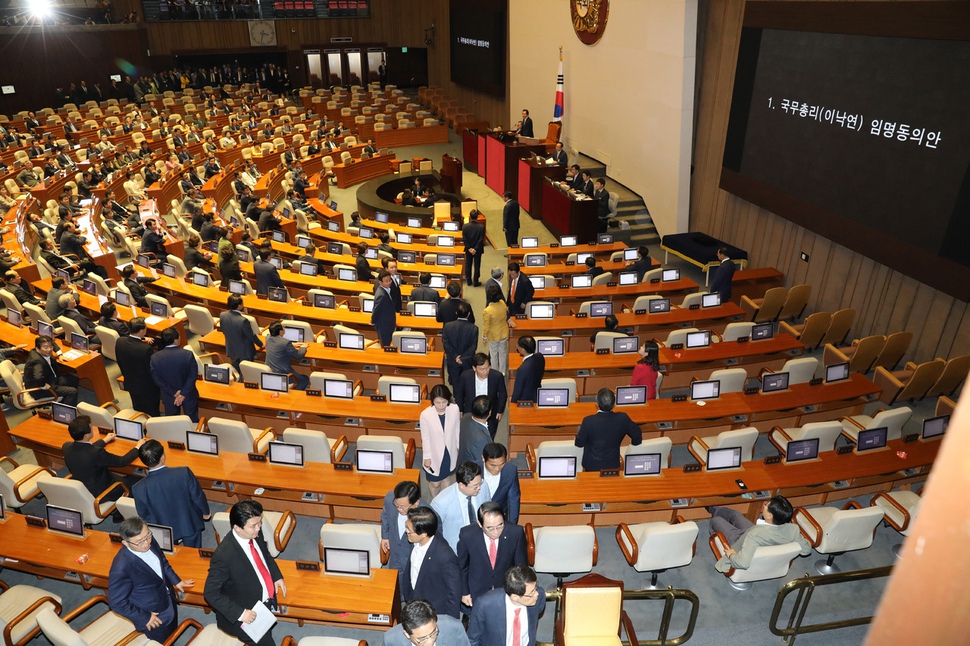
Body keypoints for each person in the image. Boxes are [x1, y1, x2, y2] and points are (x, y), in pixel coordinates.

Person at [204, 500, 286, 646]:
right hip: (246, 615)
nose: (259, 528)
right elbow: (211, 593)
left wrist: (276, 575)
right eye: (254, 525)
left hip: (262, 604)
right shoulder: (224, 556)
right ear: (237, 527)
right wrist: (241, 614)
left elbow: (264, 555)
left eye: (260, 523)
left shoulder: (254, 534)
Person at [108, 517, 194, 643]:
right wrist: (144, 617)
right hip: (152, 614)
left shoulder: (148, 539)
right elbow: (116, 602)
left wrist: (176, 580)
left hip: (167, 599)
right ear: (125, 543)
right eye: (139, 542)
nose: (146, 543)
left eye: (147, 536)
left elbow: (162, 561)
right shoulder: (121, 567)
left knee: (172, 635)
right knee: (162, 642)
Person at [133, 440, 211, 547]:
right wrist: (205, 511)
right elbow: (197, 496)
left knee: (172, 556)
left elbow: (144, 514)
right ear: (163, 457)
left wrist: (158, 525)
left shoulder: (138, 488)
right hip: (189, 523)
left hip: (164, 529)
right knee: (193, 553)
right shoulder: (183, 473)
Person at [710, 496, 813, 573]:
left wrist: (731, 554)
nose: (764, 505)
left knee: (716, 520)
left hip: (739, 543)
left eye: (766, 506)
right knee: (735, 515)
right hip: (760, 534)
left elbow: (743, 563)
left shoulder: (755, 535)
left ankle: (714, 534)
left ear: (769, 515)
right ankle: (714, 509)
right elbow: (806, 550)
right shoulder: (792, 529)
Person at [457, 501, 528, 612]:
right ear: (480, 524)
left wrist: (519, 591)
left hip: (505, 589)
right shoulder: (467, 535)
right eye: (490, 528)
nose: (496, 532)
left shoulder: (515, 532)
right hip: (478, 589)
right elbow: (462, 567)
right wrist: (464, 592)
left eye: (500, 525)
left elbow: (521, 567)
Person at [63, 414, 144, 501]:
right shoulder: (96, 453)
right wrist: (138, 447)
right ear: (86, 436)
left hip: (83, 487)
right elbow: (122, 461)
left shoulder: (66, 447)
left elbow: (85, 449)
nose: (93, 429)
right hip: (101, 492)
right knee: (136, 484)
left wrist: (104, 440)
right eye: (91, 428)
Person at [399, 506, 461, 619]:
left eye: (409, 530)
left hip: (432, 611)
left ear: (423, 534)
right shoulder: (415, 540)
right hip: (414, 600)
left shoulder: (445, 557)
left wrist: (450, 621)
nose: (406, 531)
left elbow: (454, 593)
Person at [467, 565, 546, 646]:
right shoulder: (484, 605)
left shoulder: (539, 597)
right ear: (514, 596)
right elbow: (472, 640)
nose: (536, 594)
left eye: (535, 588)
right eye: (531, 593)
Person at [574, 388, 643, 471]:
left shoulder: (588, 421)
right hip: (613, 464)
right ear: (614, 405)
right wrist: (633, 445)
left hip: (591, 466)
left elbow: (579, 443)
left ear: (597, 404)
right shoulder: (623, 418)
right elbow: (637, 434)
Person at [431, 461, 491, 552]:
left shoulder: (483, 485)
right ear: (462, 485)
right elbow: (434, 532)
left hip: (481, 542)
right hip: (456, 549)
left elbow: (488, 508)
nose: (479, 488)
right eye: (475, 486)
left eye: (480, 483)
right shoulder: (440, 503)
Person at [419, 384, 461, 499]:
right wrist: (427, 457)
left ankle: (443, 503)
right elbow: (425, 437)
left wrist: (458, 446)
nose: (441, 405)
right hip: (434, 453)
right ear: (432, 401)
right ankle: (435, 499)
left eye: (444, 402)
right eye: (438, 402)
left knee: (446, 479)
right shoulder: (426, 415)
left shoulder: (454, 409)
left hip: (449, 451)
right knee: (435, 483)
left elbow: (457, 428)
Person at [150, 327, 200, 422]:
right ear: (176, 340)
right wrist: (183, 393)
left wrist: (174, 392)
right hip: (188, 393)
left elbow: (157, 379)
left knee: (173, 421)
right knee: (192, 420)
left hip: (169, 395)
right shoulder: (187, 354)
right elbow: (193, 375)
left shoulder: (155, 357)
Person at [455, 353, 508, 440]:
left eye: (488, 367)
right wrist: (460, 409)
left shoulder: (497, 376)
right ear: (474, 368)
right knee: (472, 437)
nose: (486, 371)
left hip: (491, 413)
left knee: (489, 437)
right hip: (471, 412)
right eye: (482, 369)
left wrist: (500, 411)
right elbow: (460, 394)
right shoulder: (465, 376)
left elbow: (503, 394)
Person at [117, 317, 161, 416]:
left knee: (138, 409)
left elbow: (120, 361)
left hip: (130, 382)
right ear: (142, 330)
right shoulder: (145, 349)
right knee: (152, 412)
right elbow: (151, 370)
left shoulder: (120, 342)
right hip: (147, 388)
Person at [382, 598, 469, 646]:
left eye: (434, 633)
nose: (430, 642)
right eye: (422, 639)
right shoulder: (391, 640)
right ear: (407, 634)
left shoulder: (454, 627)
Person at [380, 480, 424, 572]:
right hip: (395, 552)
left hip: (412, 557)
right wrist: (385, 536)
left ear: (416, 503)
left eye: (403, 507)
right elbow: (385, 514)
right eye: (397, 505)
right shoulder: (390, 499)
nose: (399, 509)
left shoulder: (427, 515)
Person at [24, 335, 79, 406]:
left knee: (74, 379)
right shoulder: (37, 362)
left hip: (51, 379)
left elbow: (52, 343)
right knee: (73, 392)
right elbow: (38, 377)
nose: (49, 349)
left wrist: (60, 354)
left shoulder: (38, 351)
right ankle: (63, 411)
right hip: (40, 389)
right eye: (46, 348)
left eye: (51, 347)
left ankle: (64, 402)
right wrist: (43, 386)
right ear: (37, 349)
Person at [221, 294, 262, 372]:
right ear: (239, 306)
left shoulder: (222, 315)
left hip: (231, 348)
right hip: (245, 352)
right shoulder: (243, 321)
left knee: (237, 370)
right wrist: (260, 344)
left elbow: (224, 330)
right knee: (247, 372)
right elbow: (251, 336)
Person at [442, 302, 479, 389]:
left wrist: (456, 357)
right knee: (467, 384)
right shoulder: (474, 328)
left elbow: (446, 344)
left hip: (453, 360)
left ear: (456, 313)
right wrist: (462, 358)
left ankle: (457, 398)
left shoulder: (447, 326)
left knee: (455, 384)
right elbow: (473, 347)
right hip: (467, 361)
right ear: (469, 314)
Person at [482, 443, 520, 524]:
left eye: (502, 464)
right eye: (493, 465)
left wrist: (512, 525)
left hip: (499, 517)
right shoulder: (474, 469)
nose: (497, 469)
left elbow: (513, 499)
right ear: (483, 459)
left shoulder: (510, 471)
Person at [265, 320, 309, 390]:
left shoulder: (268, 338)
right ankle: (293, 395)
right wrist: (303, 347)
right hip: (283, 373)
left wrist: (292, 345)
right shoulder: (285, 342)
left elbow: (278, 345)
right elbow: (298, 355)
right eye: (283, 328)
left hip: (270, 371)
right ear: (280, 331)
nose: (284, 329)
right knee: (305, 379)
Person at [481, 286, 510, 376]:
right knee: (503, 352)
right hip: (504, 332)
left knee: (494, 354)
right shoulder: (502, 303)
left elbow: (486, 326)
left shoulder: (487, 310)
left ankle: (495, 372)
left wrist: (484, 337)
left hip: (493, 335)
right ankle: (503, 371)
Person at [458, 396, 493, 467]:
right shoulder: (481, 438)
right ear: (489, 412)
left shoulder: (466, 416)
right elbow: (480, 463)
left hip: (463, 459)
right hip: (471, 470)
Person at [509, 336, 545, 403]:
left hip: (525, 401)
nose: (516, 346)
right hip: (537, 395)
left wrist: (513, 401)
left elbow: (518, 391)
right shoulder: (540, 356)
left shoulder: (522, 369)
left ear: (523, 349)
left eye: (518, 345)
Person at [371, 269, 397, 348]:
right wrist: (373, 320)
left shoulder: (386, 289)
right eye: (386, 281)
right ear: (380, 282)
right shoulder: (381, 295)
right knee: (385, 345)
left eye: (390, 280)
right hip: (384, 325)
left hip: (388, 322)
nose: (389, 282)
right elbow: (376, 309)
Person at [462, 209, 486, 286]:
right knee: (477, 265)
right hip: (477, 250)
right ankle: (476, 281)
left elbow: (464, 239)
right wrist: (475, 249)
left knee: (468, 264)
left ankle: (469, 281)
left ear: (470, 217)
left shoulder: (465, 226)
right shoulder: (481, 227)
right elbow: (480, 240)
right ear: (477, 217)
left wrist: (469, 248)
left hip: (468, 249)